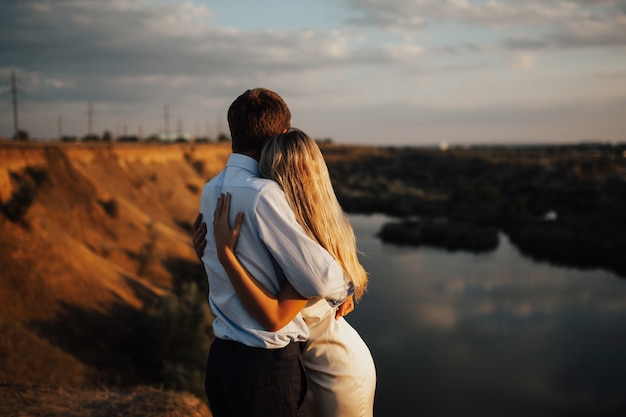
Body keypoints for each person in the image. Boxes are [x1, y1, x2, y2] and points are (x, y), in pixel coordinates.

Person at [196, 88, 353, 417]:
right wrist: (345, 289)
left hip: (222, 360)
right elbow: (326, 279)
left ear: (233, 132)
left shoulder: (211, 189)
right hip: (263, 368)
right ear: (282, 134)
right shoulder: (264, 194)